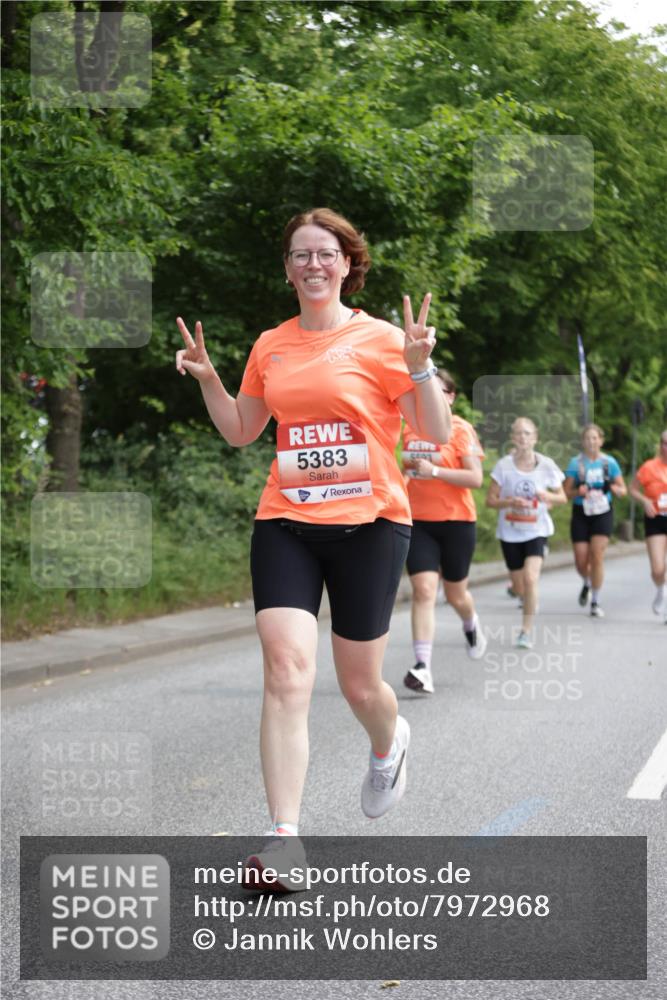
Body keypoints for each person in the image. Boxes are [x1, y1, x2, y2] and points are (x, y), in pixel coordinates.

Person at [175, 208, 450, 886]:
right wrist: (209, 379)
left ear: (347, 263)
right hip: (286, 521)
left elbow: (434, 433)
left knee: (359, 686)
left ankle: (388, 741)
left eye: (326, 253)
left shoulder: (383, 339)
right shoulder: (271, 344)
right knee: (286, 669)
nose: (313, 264)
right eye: (300, 254)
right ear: (288, 269)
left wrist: (419, 370)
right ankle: (284, 841)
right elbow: (242, 429)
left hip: (371, 526)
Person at [401, 370, 486, 695]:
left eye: (437, 391)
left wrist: (434, 471)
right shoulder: (408, 428)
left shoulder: (460, 429)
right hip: (418, 522)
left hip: (456, 522)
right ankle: (422, 667)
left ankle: (470, 622)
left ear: (450, 397)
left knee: (455, 595)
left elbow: (475, 478)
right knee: (423, 591)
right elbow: (407, 470)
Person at [486, 417, 566, 649]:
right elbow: (491, 501)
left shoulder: (547, 465)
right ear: (512, 438)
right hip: (510, 532)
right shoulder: (503, 466)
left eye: (527, 433)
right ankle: (520, 592)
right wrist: (509, 502)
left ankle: (525, 632)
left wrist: (547, 496)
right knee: (520, 585)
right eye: (518, 433)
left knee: (531, 578)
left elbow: (562, 497)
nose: (523, 437)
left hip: (536, 530)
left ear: (535, 438)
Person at [564, 424, 627, 618]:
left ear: (601, 440)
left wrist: (616, 489)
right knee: (581, 561)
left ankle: (595, 601)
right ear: (582, 442)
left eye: (594, 438)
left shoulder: (609, 463)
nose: (591, 442)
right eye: (587, 438)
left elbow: (623, 490)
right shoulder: (575, 464)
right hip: (581, 512)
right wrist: (578, 491)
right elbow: (565, 493)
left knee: (597, 556)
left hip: (603, 512)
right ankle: (587, 582)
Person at [629, 429, 667, 620]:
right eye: (665, 443)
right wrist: (645, 501)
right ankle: (661, 589)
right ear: (661, 445)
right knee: (658, 569)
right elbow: (633, 489)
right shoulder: (649, 467)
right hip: (655, 518)